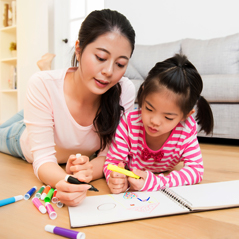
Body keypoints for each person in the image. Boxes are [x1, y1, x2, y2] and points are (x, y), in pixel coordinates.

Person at [0, 9, 136, 206]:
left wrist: (88, 170)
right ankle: (46, 84)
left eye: (120, 64)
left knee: (46, 101)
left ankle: (46, 92)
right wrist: (65, 182)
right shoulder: (39, 83)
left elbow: (109, 156)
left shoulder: (124, 90)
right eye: (100, 58)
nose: (109, 72)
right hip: (23, 137)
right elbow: (44, 159)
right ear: (79, 49)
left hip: (51, 113)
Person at [104, 54, 214, 194]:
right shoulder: (129, 123)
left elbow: (196, 170)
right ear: (143, 95)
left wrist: (157, 182)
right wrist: (114, 179)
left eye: (168, 117)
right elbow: (112, 163)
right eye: (149, 109)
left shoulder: (186, 128)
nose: (154, 122)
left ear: (185, 115)